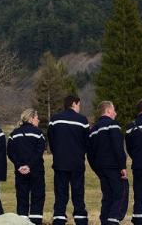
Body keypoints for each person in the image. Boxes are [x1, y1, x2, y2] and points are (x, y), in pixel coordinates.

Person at [48, 95, 89, 225]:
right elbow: (86, 142)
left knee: (60, 195)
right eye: (79, 105)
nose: (79, 108)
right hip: (77, 163)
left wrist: (58, 154)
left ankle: (59, 219)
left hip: (60, 163)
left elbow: (51, 140)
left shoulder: (54, 120)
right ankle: (81, 220)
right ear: (73, 104)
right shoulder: (82, 120)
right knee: (78, 195)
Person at [89, 102, 128, 225]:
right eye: (114, 110)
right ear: (108, 110)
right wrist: (122, 166)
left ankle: (104, 220)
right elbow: (118, 147)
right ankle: (113, 220)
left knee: (107, 196)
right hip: (114, 167)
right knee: (120, 193)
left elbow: (89, 153)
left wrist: (96, 169)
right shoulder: (113, 125)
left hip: (101, 168)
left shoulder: (93, 129)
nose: (115, 113)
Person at [8, 109, 46, 225]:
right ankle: (35, 222)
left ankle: (22, 222)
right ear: (30, 118)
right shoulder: (38, 133)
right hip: (36, 172)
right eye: (36, 117)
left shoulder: (14, 134)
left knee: (21, 199)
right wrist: (29, 166)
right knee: (37, 198)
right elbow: (39, 152)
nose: (38, 120)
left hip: (20, 173)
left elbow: (10, 152)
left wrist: (20, 165)